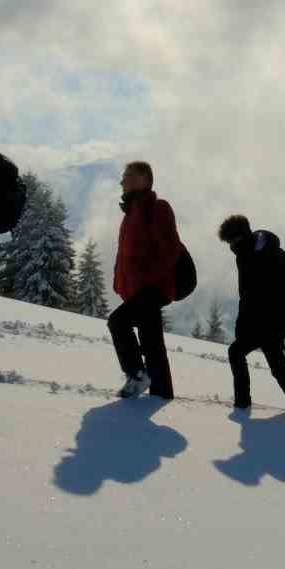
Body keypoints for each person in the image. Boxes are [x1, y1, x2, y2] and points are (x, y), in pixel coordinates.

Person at [218, 215, 285, 412]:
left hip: (274, 317)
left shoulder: (266, 254)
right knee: (271, 362)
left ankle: (243, 405)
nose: (230, 246)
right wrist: (242, 324)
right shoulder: (245, 255)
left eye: (232, 240)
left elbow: (253, 294)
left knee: (257, 357)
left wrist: (247, 323)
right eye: (228, 242)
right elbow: (246, 295)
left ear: (241, 236)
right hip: (266, 317)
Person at [108, 161, 181, 400]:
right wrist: (121, 281)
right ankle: (162, 394)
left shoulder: (157, 208)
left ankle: (137, 375)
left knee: (118, 322)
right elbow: (126, 254)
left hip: (152, 287)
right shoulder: (131, 213)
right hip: (139, 288)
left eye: (127, 176)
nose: (122, 181)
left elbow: (170, 249)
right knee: (152, 343)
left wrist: (149, 277)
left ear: (143, 179)